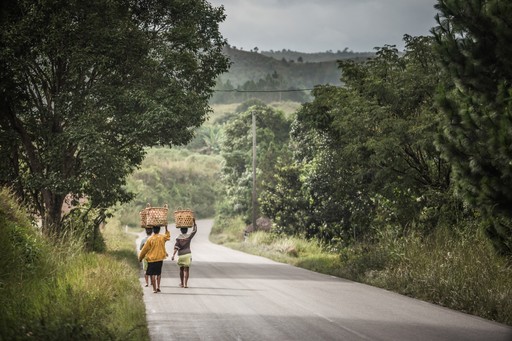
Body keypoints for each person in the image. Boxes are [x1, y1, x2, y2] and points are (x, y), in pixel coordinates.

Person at [138, 225, 170, 293]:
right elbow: (168, 236)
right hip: (159, 259)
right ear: (159, 230)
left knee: (152, 274)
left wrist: (140, 258)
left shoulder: (150, 239)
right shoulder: (162, 237)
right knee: (158, 273)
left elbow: (144, 250)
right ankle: (158, 287)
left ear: (153, 230)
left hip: (151, 259)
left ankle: (154, 289)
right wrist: (166, 228)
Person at [171, 219, 197, 288]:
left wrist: (173, 255)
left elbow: (176, 248)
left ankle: (182, 283)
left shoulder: (178, 238)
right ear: (187, 230)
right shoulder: (189, 237)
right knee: (187, 270)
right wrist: (194, 223)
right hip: (188, 255)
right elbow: (194, 231)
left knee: (181, 269)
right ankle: (185, 284)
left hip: (181, 255)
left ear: (181, 230)